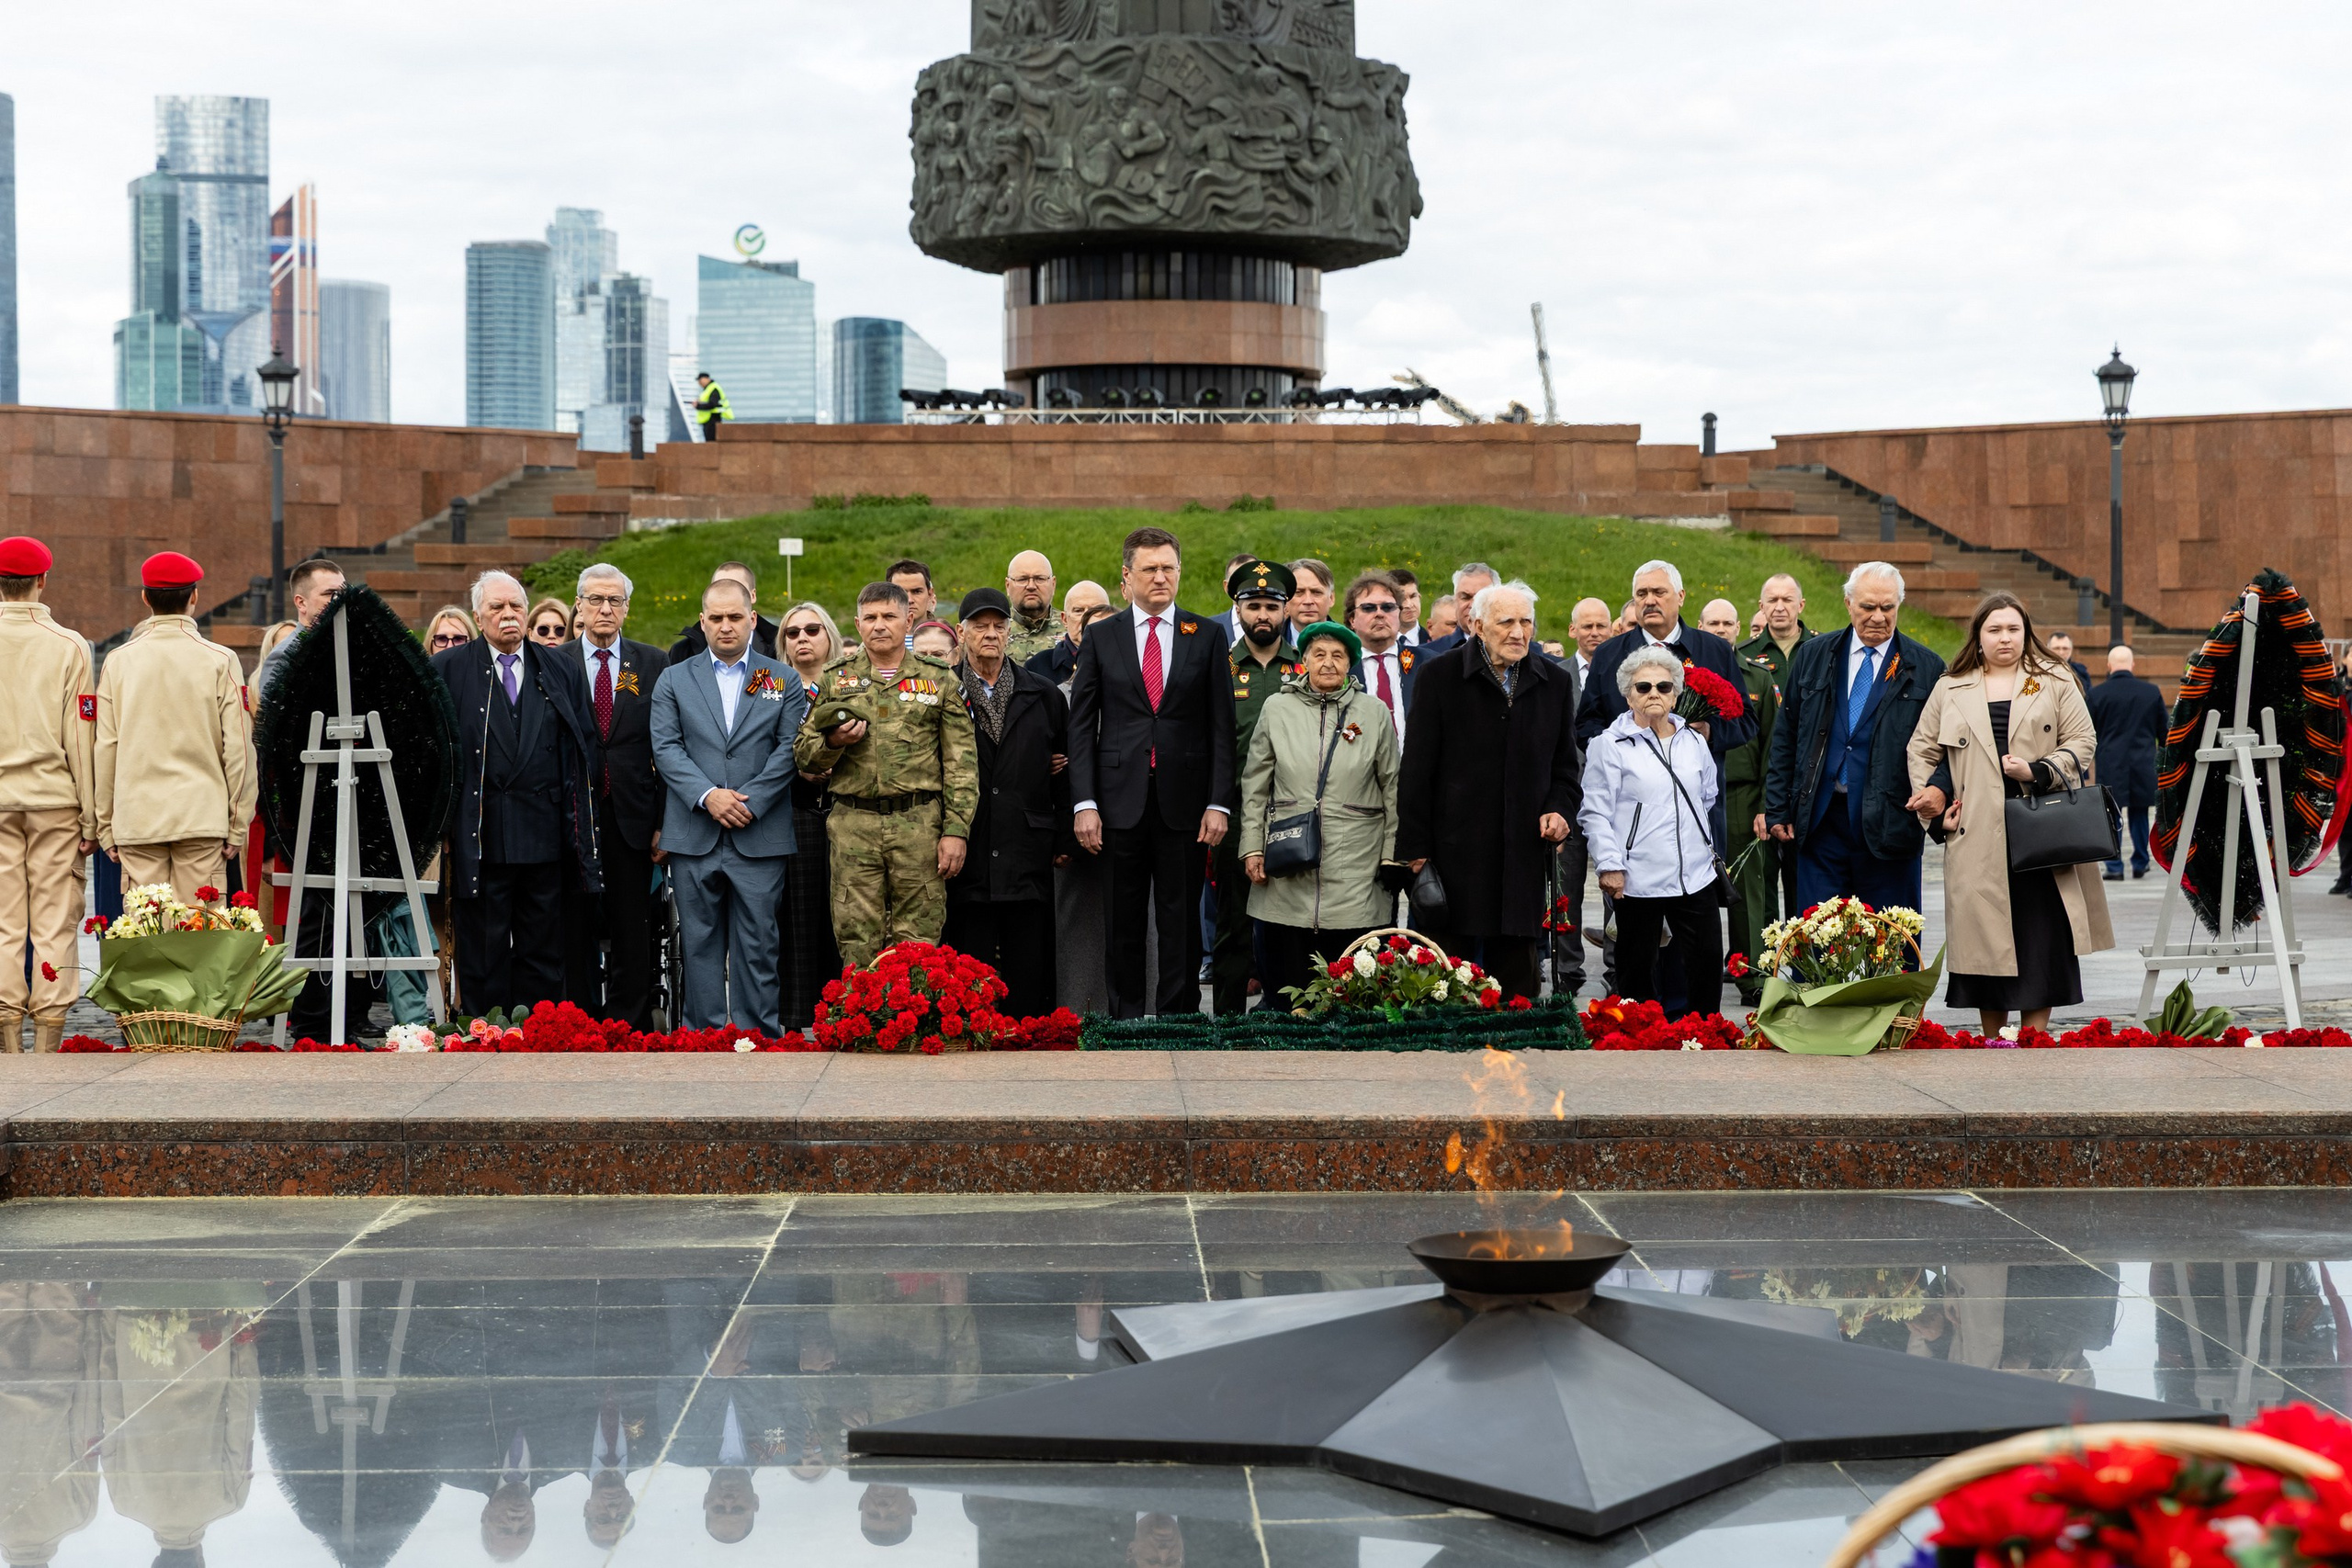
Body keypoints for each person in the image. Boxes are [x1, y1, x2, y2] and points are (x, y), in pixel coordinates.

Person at [1907, 592, 2114, 1034]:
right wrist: (1933, 809)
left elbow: (2083, 740)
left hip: (2042, 829)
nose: (2006, 638)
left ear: (2026, 632)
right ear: (1978, 637)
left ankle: (2035, 1038)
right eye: (1995, 629)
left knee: (2043, 935)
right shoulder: (1951, 685)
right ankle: (1992, 1040)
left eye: (2014, 629)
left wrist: (2039, 770)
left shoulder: (2054, 679)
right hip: (1976, 830)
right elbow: (1921, 749)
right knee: (1986, 937)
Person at [1068, 526, 1237, 1017]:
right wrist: (1084, 803)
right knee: (1122, 919)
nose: (1160, 577)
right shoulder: (1102, 636)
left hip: (1185, 804)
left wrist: (1218, 801)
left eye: (1169, 568)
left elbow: (1221, 727)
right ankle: (1124, 1018)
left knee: (1181, 918)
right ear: (1127, 577)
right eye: (1150, 569)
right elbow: (1081, 728)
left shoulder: (1206, 635)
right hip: (1117, 803)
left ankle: (1178, 1017)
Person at [1396, 580, 1580, 1000]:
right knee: (1447, 975)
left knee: (1517, 976)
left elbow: (1565, 769)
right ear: (1478, 625)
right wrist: (1415, 848)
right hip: (1453, 851)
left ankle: (1514, 1054)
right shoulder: (1439, 676)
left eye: (1526, 622)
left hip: (1522, 854)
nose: (1519, 632)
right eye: (1507, 622)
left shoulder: (1553, 682)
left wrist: (1559, 809)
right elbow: (1417, 769)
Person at [432, 570, 603, 1016]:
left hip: (544, 832)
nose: (508, 615)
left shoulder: (560, 666)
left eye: (516, 607)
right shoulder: (450, 668)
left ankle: (539, 1030)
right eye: (497, 608)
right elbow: (432, 751)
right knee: (483, 948)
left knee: (543, 947)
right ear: (478, 615)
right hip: (481, 834)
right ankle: (484, 1029)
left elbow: (585, 742)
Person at [795, 581, 979, 965]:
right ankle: (861, 1026)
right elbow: (803, 756)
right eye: (871, 618)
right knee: (856, 938)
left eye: (889, 616)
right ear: (858, 624)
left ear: (909, 619)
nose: (880, 625)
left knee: (919, 944)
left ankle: (912, 1024)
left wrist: (956, 832)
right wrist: (833, 742)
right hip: (853, 826)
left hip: (919, 826)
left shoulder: (941, 679)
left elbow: (961, 765)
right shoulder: (834, 679)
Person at [650, 577, 806, 1035]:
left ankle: (757, 1035)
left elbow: (789, 747)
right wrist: (708, 796)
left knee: (759, 941)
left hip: (759, 833)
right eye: (715, 618)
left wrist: (750, 802)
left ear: (753, 619)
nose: (725, 626)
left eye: (735, 617)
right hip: (695, 832)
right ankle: (705, 1035)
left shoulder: (782, 678)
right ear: (702, 622)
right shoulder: (674, 678)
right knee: (698, 942)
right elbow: (666, 747)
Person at [1762, 563, 1946, 917]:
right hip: (1820, 825)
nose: (1878, 617)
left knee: (1893, 948)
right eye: (1867, 607)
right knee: (1816, 944)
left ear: (1899, 606)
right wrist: (1778, 809)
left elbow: (1948, 745)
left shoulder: (1925, 668)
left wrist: (1939, 786)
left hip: (1890, 824)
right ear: (1848, 604)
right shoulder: (1814, 655)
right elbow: (1787, 735)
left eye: (1887, 607)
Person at [1238, 620, 1399, 1000]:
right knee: (1284, 983)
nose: (1328, 663)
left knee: (1351, 991)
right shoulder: (1277, 708)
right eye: (1319, 654)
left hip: (1356, 861)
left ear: (1350, 664)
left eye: (1339, 656)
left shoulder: (1373, 712)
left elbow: (1393, 785)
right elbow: (1255, 783)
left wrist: (1393, 855)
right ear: (1304, 659)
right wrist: (1252, 846)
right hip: (1287, 861)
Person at [94, 551, 256, 908]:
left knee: (148, 937)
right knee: (201, 933)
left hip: (138, 817)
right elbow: (240, 749)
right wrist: (237, 820)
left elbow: (105, 747)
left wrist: (105, 825)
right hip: (201, 814)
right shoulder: (219, 658)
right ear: (194, 597)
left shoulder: (118, 661)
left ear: (145, 598)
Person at [944, 587, 1071, 1019]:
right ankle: (974, 1029)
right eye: (980, 627)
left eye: (999, 626)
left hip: (1026, 843)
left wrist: (1063, 838)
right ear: (961, 633)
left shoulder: (1044, 694)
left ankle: (1027, 1032)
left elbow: (1064, 767)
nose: (991, 634)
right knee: (971, 950)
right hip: (970, 843)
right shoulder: (945, 692)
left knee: (1027, 955)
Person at [1578, 646, 1724, 1010]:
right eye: (1643, 687)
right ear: (1628, 694)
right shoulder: (1608, 745)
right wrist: (1611, 864)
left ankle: (1706, 1035)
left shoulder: (1693, 741)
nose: (1654, 694)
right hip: (1637, 877)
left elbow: (1707, 795)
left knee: (1706, 964)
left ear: (1676, 693)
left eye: (1664, 686)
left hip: (1695, 874)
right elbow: (1595, 811)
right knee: (1635, 969)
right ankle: (1639, 1042)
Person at [560, 563, 670, 1027]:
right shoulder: (554, 661)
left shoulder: (654, 663)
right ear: (579, 606)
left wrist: (666, 821)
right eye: (596, 600)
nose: (605, 609)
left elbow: (667, 747)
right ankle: (579, 1018)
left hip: (634, 815)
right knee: (574, 924)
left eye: (615, 601)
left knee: (633, 924)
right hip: (572, 817)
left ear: (627, 607)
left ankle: (628, 1021)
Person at [0, 536, 96, 1055]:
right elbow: (80, 736)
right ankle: (47, 1045)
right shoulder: (69, 644)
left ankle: (7, 1043)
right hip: (54, 798)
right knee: (55, 921)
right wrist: (92, 815)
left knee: (3, 923)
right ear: (43, 581)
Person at [1211, 558, 1301, 1013]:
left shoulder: (1305, 666)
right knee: (1233, 920)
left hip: (1295, 813)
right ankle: (1227, 1020)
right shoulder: (1219, 665)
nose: (1262, 614)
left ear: (1285, 611)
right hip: (1235, 811)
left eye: (1271, 606)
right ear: (1238, 610)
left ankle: (1291, 1014)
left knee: (1294, 921)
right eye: (1253, 606)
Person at [1577, 560, 1757, 762]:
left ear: (1680, 597)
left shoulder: (1715, 650)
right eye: (1641, 594)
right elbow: (1586, 724)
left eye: (1659, 592)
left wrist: (1710, 732)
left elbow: (1745, 720)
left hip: (1696, 785)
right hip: (1628, 784)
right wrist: (1614, 748)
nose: (1649, 601)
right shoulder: (1608, 654)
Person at [776, 602, 845, 1027]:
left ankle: (843, 1014)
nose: (802, 638)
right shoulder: (767, 685)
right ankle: (796, 1016)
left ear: (829, 636)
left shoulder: (851, 682)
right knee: (797, 919)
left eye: (812, 630)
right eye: (792, 632)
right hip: (793, 812)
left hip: (846, 812)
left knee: (844, 917)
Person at [1737, 573, 1814, 912]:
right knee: (1760, 884)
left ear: (1801, 605)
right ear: (1761, 606)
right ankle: (1762, 961)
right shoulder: (1741, 657)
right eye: (1772, 600)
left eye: (1787, 600)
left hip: (1809, 779)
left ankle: (1807, 963)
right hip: (1761, 784)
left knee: (1807, 884)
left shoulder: (1822, 650)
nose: (1779, 607)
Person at [1554, 596, 1616, 996]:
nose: (1594, 633)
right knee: (1565, 890)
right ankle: (1567, 971)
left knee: (1616, 888)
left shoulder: (1623, 674)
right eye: (1586, 626)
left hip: (1615, 803)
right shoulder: (1554, 675)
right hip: (1568, 798)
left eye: (1601, 626)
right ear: (1573, 630)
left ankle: (1617, 969)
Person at [2086, 643, 2166, 881]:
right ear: (2132, 665)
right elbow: (2164, 732)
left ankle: (2114, 866)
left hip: (2111, 762)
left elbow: (2088, 732)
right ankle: (2141, 862)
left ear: (2109, 666)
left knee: (2112, 814)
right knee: (2140, 813)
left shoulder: (2097, 694)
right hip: (2143, 762)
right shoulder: (2151, 692)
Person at [252, 558, 346, 701]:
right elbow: (275, 719)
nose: (339, 599)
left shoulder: (354, 643)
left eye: (344, 593)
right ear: (301, 603)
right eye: (330, 593)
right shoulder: (285, 656)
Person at [1346, 570, 1416, 748]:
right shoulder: (1341, 669)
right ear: (1352, 620)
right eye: (1368, 608)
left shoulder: (1427, 664)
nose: (1379, 614)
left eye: (1388, 607)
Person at [669, 562, 779, 664]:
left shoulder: (779, 646)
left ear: (753, 595)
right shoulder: (683, 651)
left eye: (737, 587)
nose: (727, 592)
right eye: (720, 587)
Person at [1028, 579, 1111, 685]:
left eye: (1095, 611)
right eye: (1078, 611)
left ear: (1110, 617)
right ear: (1065, 619)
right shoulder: (1037, 667)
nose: (1086, 618)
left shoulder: (1130, 659)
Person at [1421, 561, 1497, 657]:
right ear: (1455, 601)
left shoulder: (1515, 649)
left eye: (1481, 598)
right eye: (1465, 597)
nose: (1473, 605)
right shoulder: (1426, 654)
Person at [1003, 550, 1061, 665]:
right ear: (1008, 586)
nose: (1031, 586)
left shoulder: (1073, 628)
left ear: (1053, 584)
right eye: (1022, 579)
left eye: (1040, 578)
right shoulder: (993, 632)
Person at [1284, 558, 1335, 640]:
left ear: (1331, 598)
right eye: (1299, 592)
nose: (1308, 601)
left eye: (1317, 592)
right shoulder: (1268, 644)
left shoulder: (1349, 646)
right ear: (1286, 600)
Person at [886, 558, 940, 631]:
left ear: (930, 594)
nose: (909, 600)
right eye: (901, 593)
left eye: (917, 592)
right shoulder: (875, 641)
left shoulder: (948, 640)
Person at [1391, 568, 1426, 647]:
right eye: (1402, 599)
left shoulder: (1435, 641)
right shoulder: (1376, 643)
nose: (1409, 605)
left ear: (1419, 597)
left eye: (1413, 596)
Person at [695, 371, 729, 440]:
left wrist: (698, 406)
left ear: (706, 378)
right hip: (708, 419)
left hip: (712, 418)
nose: (699, 383)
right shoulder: (707, 389)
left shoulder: (713, 388)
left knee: (712, 441)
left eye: (700, 380)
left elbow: (713, 404)